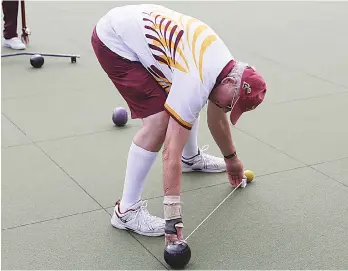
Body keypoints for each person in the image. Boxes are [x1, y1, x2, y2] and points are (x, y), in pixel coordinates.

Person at [91, 4, 267, 244]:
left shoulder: (224, 70)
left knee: (186, 101)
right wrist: (173, 219)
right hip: (114, 40)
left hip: (140, 32)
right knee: (158, 123)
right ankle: (126, 211)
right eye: (231, 104)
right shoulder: (199, 77)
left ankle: (191, 158)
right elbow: (169, 152)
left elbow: (216, 118)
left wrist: (232, 160)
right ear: (230, 81)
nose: (227, 109)